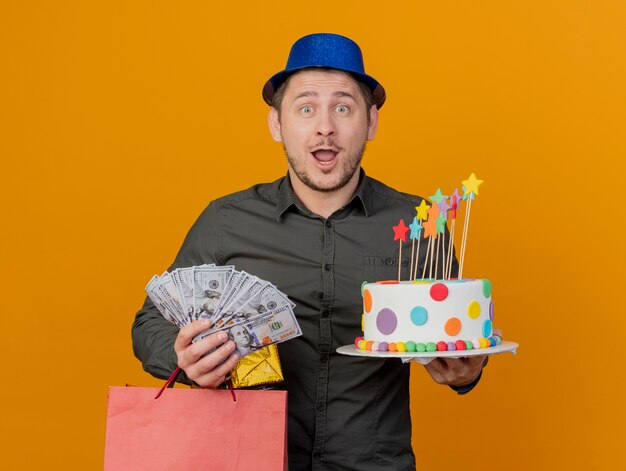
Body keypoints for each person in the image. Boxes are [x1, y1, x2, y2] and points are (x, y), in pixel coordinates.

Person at [132, 33, 488, 470]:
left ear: (371, 122)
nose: (325, 126)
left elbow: (457, 338)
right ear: (277, 124)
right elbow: (149, 323)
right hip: (249, 457)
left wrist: (468, 374)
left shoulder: (421, 225)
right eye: (306, 108)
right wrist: (183, 359)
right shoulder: (226, 221)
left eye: (343, 107)